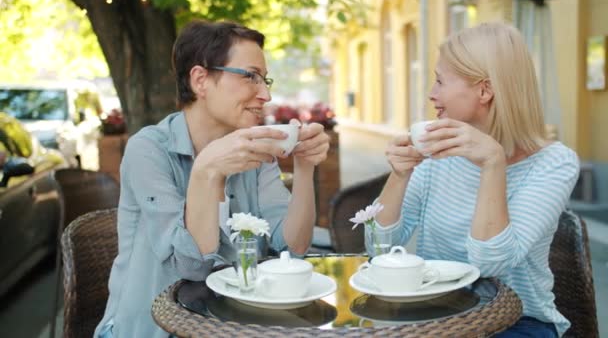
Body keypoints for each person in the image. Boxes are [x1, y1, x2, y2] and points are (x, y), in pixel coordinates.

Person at [94, 20, 330, 338]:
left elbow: (293, 246)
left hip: (232, 325)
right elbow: (192, 266)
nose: (266, 94)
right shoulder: (148, 150)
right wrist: (207, 171)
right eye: (250, 76)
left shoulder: (255, 150)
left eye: (265, 79)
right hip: (152, 328)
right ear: (200, 80)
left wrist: (304, 167)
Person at [372, 22, 579, 337]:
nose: (432, 94)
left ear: (484, 90)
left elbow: (493, 263)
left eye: (440, 81)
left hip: (519, 321)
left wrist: (492, 163)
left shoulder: (554, 163)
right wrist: (399, 176)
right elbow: (378, 249)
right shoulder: (437, 152)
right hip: (436, 315)